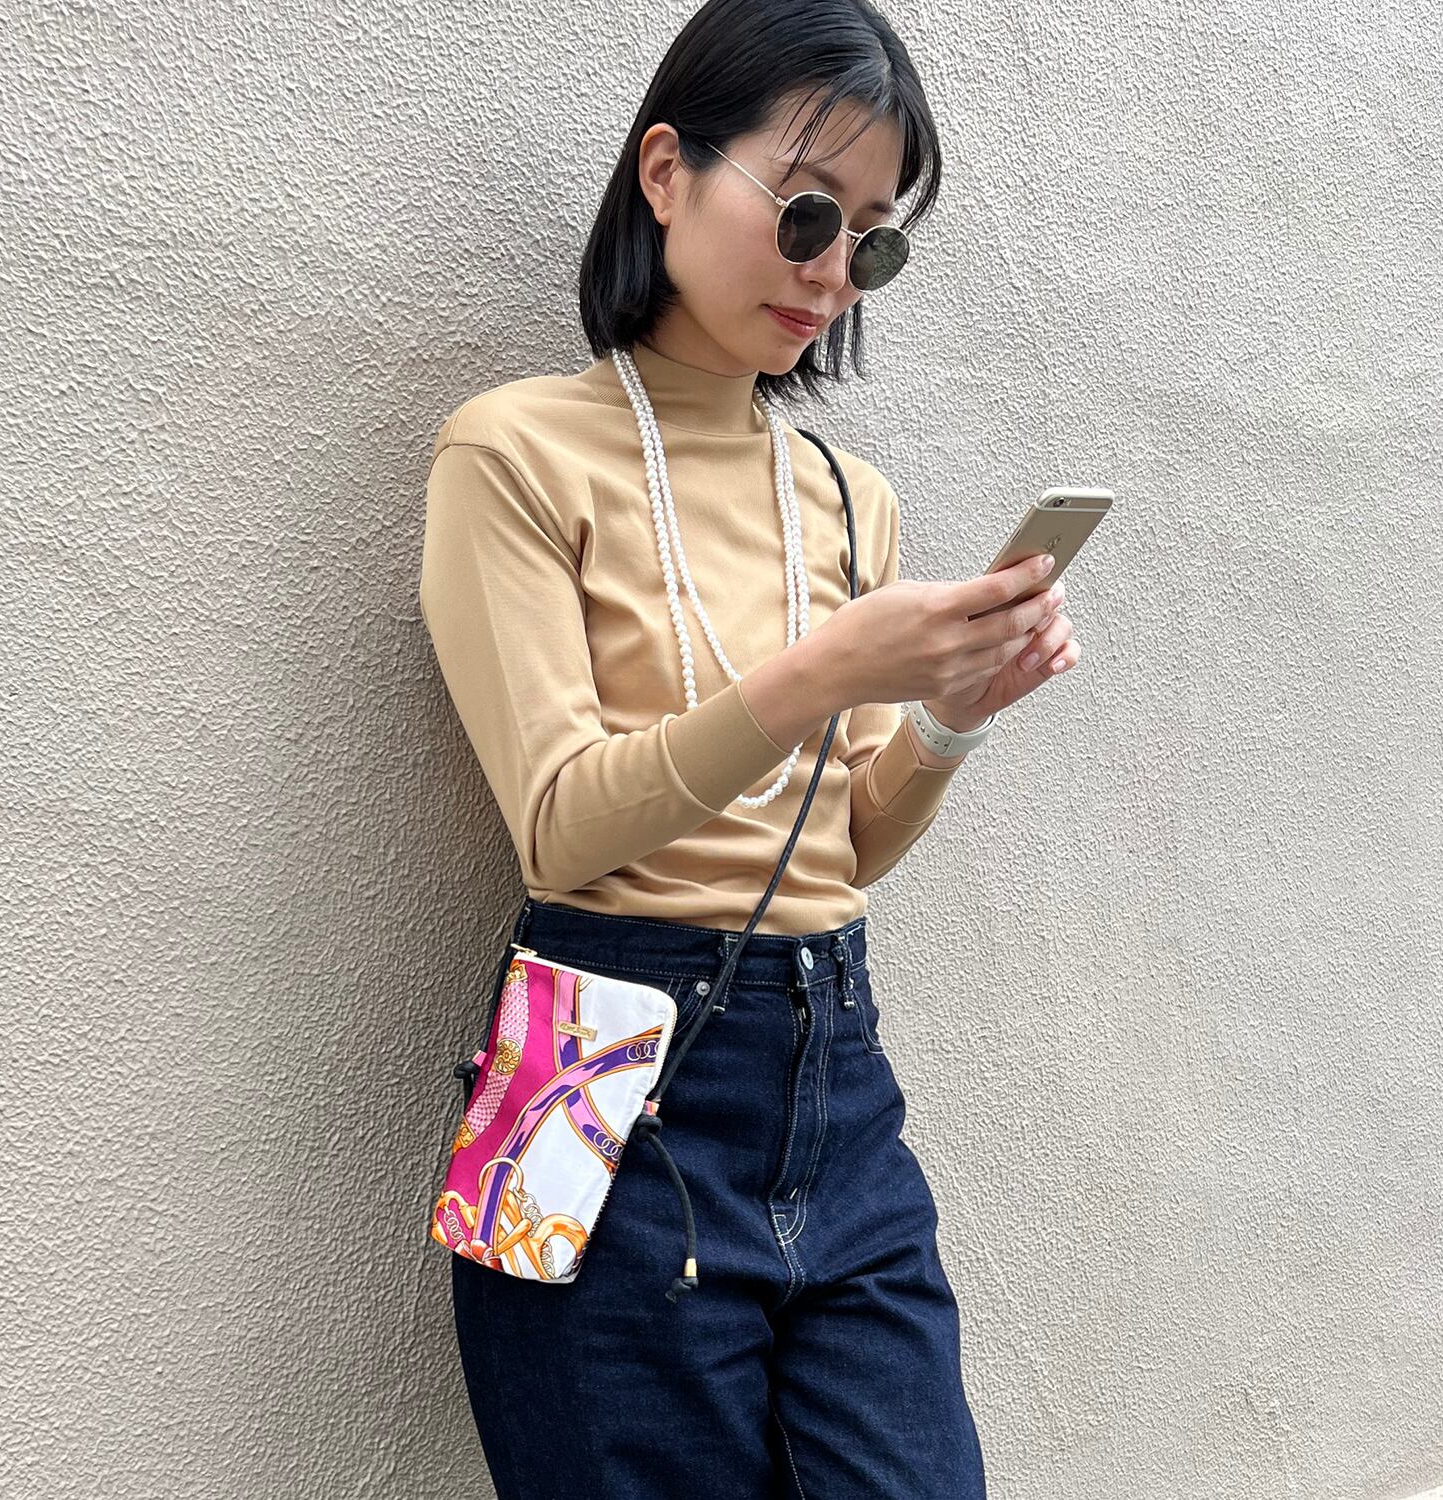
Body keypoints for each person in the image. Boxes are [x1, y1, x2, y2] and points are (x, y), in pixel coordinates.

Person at [417, 1, 1078, 1493]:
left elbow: (840, 846)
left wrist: (952, 714)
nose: (832, 271)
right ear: (666, 173)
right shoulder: (514, 452)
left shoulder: (848, 500)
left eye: (872, 241)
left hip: (833, 1068)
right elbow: (560, 826)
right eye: (805, 211)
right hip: (592, 1065)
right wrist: (827, 669)